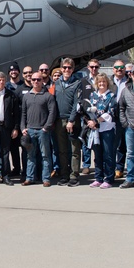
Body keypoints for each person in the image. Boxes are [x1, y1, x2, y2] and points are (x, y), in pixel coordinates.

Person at [79, 73, 117, 188]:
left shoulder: (111, 96)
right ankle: (98, 178)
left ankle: (109, 178)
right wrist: (90, 122)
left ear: (107, 83)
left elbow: (110, 113)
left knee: (108, 154)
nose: (102, 84)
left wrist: (96, 121)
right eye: (100, 82)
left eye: (104, 82)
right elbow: (88, 110)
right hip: (95, 130)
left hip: (107, 129)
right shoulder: (93, 95)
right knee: (97, 154)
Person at [21, 71, 56, 187]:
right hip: (30, 130)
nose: (36, 81)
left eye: (38, 79)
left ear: (42, 81)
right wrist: (23, 128)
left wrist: (46, 127)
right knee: (30, 156)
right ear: (31, 81)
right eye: (34, 79)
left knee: (45, 155)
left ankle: (46, 178)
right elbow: (23, 113)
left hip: (43, 131)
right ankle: (29, 178)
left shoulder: (48, 96)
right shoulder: (27, 96)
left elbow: (52, 112)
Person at [55, 58, 82, 187]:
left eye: (69, 68)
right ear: (61, 68)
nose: (67, 70)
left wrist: (71, 120)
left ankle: (74, 176)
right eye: (64, 67)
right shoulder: (57, 83)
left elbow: (77, 104)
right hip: (59, 121)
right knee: (62, 150)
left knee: (74, 150)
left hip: (72, 121)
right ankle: (64, 175)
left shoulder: (77, 83)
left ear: (73, 69)